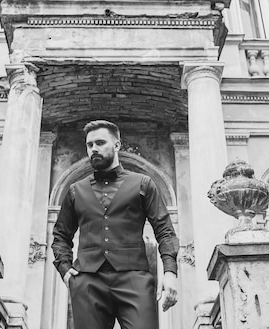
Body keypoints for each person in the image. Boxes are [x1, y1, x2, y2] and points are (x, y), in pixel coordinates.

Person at [52, 120, 179, 329]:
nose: (94, 149)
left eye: (100, 143)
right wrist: (65, 269)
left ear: (117, 145)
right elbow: (60, 236)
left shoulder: (143, 184)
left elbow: (165, 231)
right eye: (89, 145)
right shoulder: (75, 190)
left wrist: (170, 273)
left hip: (134, 279)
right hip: (87, 282)